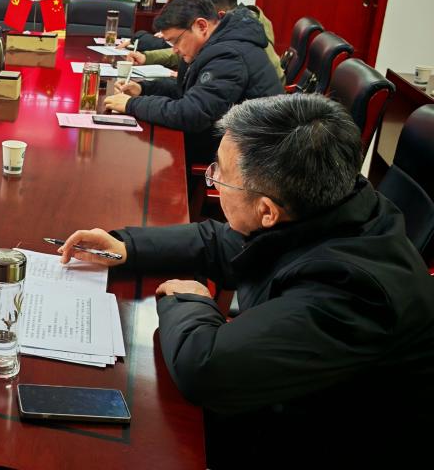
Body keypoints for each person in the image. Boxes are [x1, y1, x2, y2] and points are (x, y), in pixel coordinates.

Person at [58, 95, 434, 467]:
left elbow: (205, 370)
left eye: (220, 173)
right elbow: (221, 241)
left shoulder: (352, 290)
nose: (214, 179)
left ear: (267, 210)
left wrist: (189, 300)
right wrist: (127, 246)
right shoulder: (332, 204)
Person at [104, 0, 282, 165]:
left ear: (201, 26)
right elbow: (188, 90)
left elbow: (193, 114)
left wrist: (131, 104)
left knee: (135, 156)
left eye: (176, 41)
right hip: (227, 143)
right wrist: (143, 88)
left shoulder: (229, 55)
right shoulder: (218, 45)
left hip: (249, 159)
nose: (174, 49)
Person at [132, 0, 283, 81]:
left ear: (217, 13)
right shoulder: (235, 25)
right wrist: (148, 57)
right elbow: (189, 49)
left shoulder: (243, 37)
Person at [129, 0, 200, 53]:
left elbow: (165, 46)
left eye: (171, 2)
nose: (167, 6)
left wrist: (139, 36)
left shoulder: (195, 20)